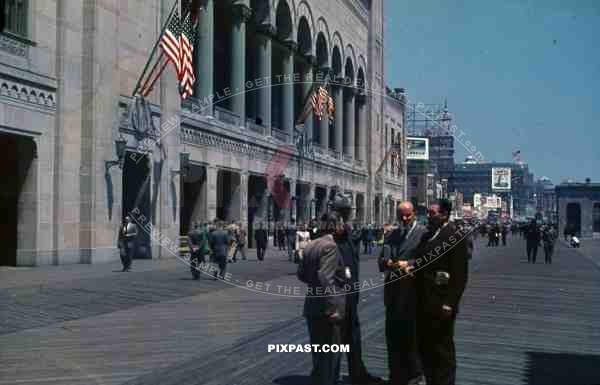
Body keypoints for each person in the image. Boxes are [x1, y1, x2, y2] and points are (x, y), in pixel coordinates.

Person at [412, 200, 469, 385]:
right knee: (425, 347)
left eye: (433, 213)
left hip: (441, 302)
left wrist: (450, 302)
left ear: (444, 215)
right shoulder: (427, 235)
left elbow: (460, 274)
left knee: (442, 349)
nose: (429, 216)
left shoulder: (455, 236)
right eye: (429, 213)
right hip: (423, 300)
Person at [329, 194, 383, 385]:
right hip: (337, 296)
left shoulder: (347, 230)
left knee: (353, 335)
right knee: (335, 339)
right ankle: (330, 377)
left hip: (350, 293)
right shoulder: (332, 229)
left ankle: (357, 373)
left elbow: (353, 238)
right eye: (347, 212)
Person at [379, 201, 428, 385]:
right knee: (392, 332)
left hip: (413, 290)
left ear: (414, 213)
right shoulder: (392, 234)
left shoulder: (423, 233)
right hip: (392, 291)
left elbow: (428, 259)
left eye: (408, 215)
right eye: (402, 215)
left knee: (412, 333)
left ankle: (415, 373)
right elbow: (383, 259)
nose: (405, 219)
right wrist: (389, 262)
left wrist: (410, 264)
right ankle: (395, 372)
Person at [298, 211, 347, 385]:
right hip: (327, 307)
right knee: (331, 352)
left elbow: (301, 275)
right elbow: (325, 276)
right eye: (341, 223)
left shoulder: (311, 245)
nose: (343, 226)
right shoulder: (331, 246)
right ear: (336, 226)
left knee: (318, 350)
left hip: (312, 304)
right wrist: (333, 307)